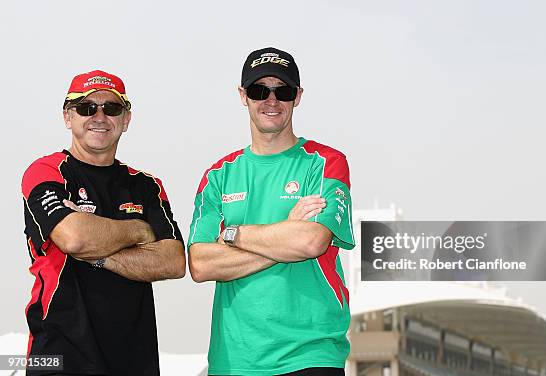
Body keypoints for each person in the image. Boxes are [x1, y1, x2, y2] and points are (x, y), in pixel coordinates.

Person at [188, 47, 355, 375]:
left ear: (298, 97)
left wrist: (234, 234)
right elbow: (200, 264)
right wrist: (285, 232)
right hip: (234, 361)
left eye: (283, 91)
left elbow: (310, 243)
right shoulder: (218, 176)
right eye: (259, 90)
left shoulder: (326, 162)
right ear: (243, 96)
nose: (271, 100)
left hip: (311, 353)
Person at [21, 70, 185, 376]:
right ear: (68, 117)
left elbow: (174, 261)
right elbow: (73, 239)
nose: (99, 116)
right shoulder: (46, 172)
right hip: (59, 357)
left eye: (111, 108)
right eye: (86, 108)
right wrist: (139, 231)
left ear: (126, 120)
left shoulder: (146, 186)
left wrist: (97, 251)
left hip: (134, 360)